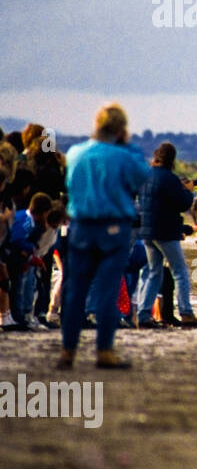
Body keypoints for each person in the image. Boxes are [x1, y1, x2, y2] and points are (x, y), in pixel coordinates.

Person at [58, 104, 150, 369]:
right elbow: (141, 175)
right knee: (108, 288)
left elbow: (70, 186)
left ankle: (68, 350)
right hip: (113, 227)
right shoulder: (122, 156)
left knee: (76, 289)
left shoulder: (75, 153)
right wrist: (128, 145)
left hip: (81, 226)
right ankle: (104, 350)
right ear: (120, 130)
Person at [135, 143, 197, 329]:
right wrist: (189, 191)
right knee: (181, 272)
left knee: (153, 273)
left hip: (147, 230)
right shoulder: (169, 178)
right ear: (171, 159)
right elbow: (183, 203)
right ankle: (186, 312)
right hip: (165, 231)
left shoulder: (145, 176)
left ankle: (143, 315)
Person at [1, 192, 55, 329]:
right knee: (16, 288)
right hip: (13, 258)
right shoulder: (25, 221)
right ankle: (17, 316)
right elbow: (16, 239)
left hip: (18, 258)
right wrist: (31, 247)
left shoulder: (27, 221)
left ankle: (19, 315)